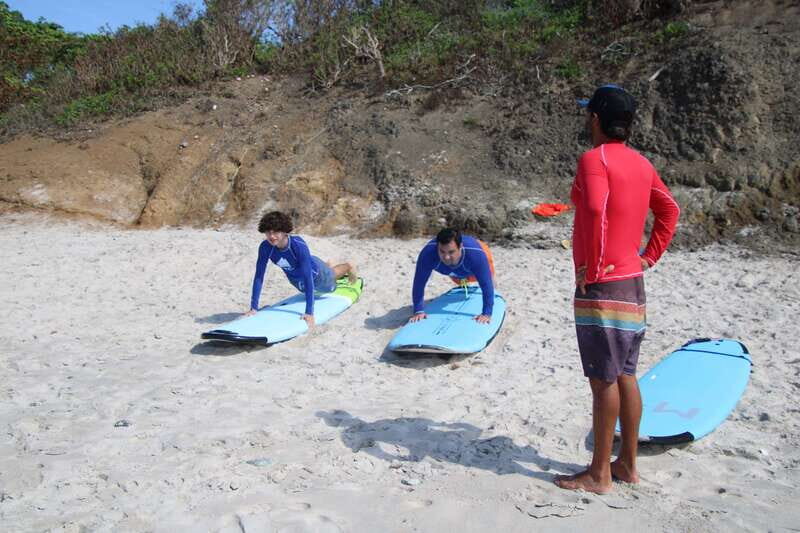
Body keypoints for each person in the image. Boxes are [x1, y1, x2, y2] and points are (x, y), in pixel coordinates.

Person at [554, 85, 680, 494]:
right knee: (626, 374)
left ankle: (598, 474)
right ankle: (625, 464)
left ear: (595, 120)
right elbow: (669, 209)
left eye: (586, 115)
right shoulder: (642, 164)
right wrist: (649, 256)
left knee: (602, 380)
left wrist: (590, 262)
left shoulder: (595, 158)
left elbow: (593, 207)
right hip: (632, 283)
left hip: (602, 286)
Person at [246, 211, 356, 327]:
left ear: (284, 231)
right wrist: (254, 308)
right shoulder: (265, 247)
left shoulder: (297, 245)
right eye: (268, 232)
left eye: (276, 232)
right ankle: (328, 265)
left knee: (330, 284)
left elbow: (308, 277)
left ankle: (348, 265)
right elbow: (259, 276)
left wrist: (309, 313)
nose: (271, 236)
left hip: (316, 274)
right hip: (296, 279)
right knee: (306, 289)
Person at [410, 228, 496, 324]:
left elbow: (486, 284)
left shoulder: (476, 255)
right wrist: (418, 311)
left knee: (488, 279)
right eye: (442, 251)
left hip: (479, 251)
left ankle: (494, 296)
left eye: (451, 252)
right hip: (455, 270)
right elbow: (419, 283)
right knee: (461, 280)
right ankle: (463, 280)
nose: (446, 257)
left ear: (460, 247)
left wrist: (486, 313)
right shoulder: (428, 254)